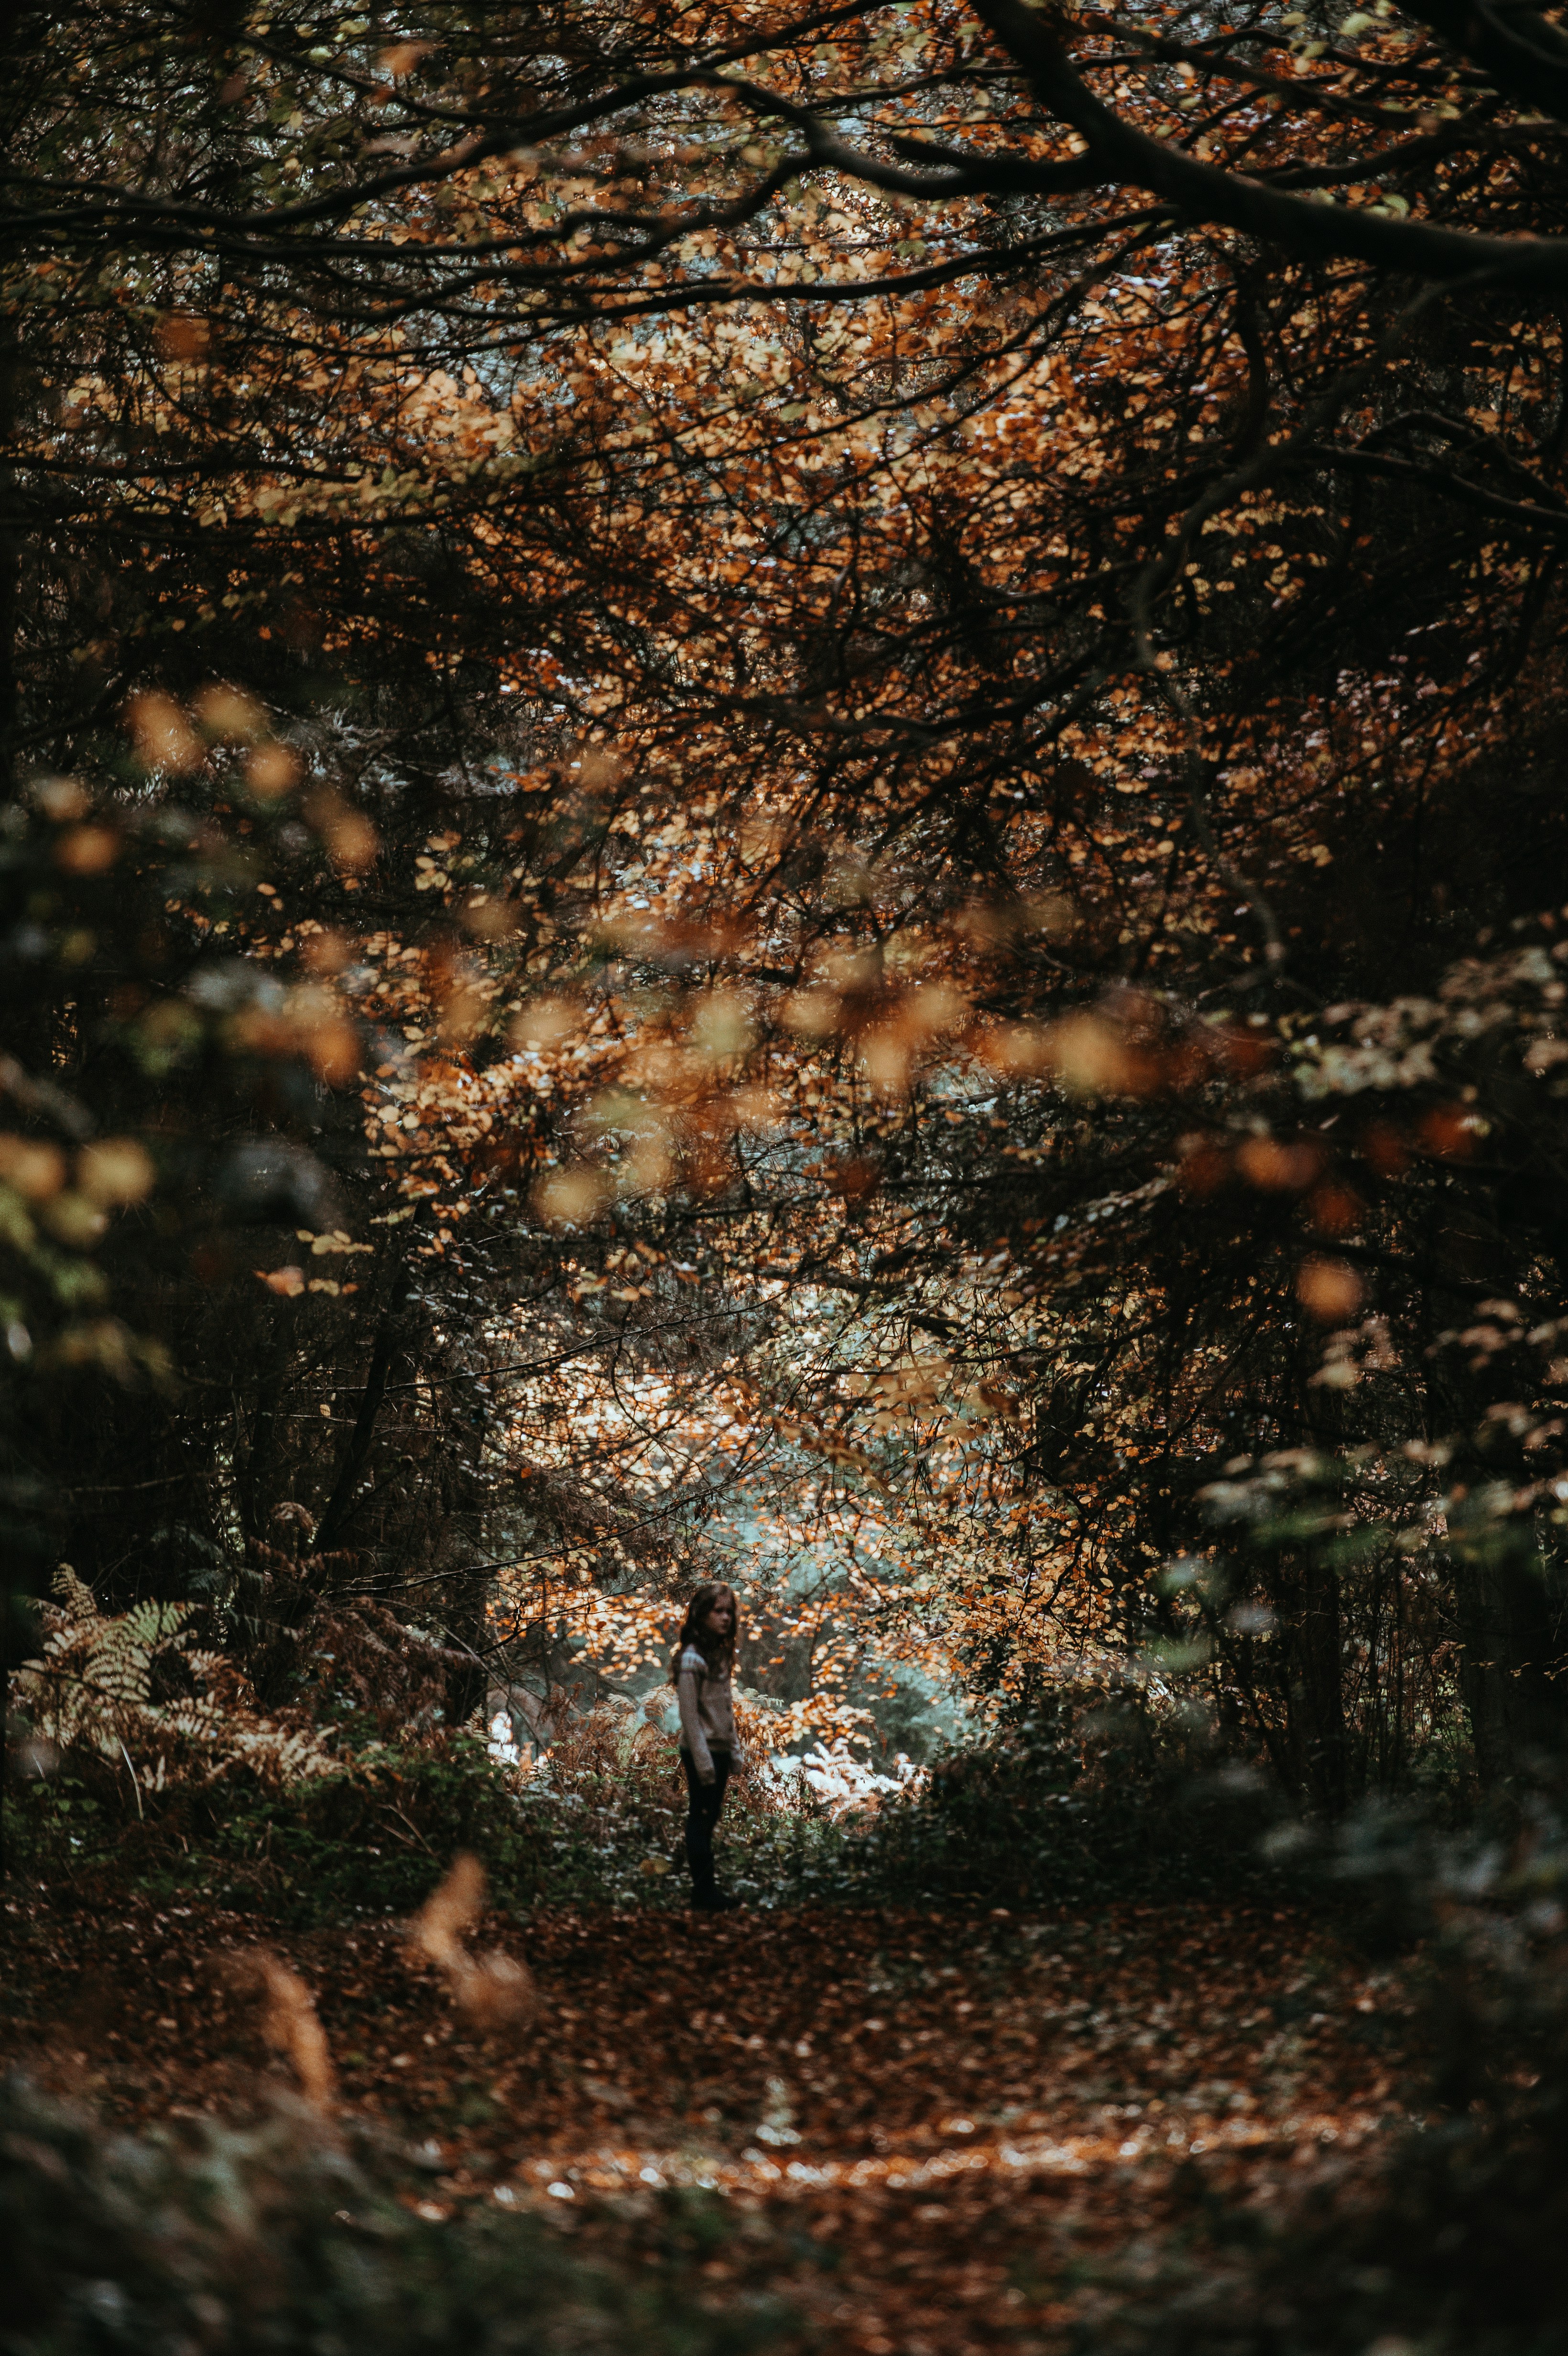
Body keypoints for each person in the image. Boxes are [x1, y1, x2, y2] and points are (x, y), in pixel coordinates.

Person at [672, 1581, 743, 1911]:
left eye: (730, 1612)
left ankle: (706, 1892)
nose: (726, 1618)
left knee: (709, 1819)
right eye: (719, 1611)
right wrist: (704, 1764)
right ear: (702, 1615)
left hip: (719, 1751)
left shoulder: (719, 1655)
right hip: (702, 1753)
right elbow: (690, 1716)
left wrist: (734, 1751)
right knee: (700, 1820)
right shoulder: (691, 1659)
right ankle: (704, 1894)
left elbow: (725, 1708)